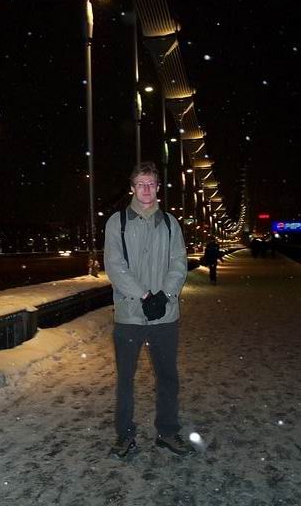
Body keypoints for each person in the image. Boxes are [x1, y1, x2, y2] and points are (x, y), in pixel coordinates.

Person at [104, 161, 188, 458]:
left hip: (165, 315)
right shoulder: (117, 222)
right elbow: (115, 266)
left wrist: (164, 295)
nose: (146, 189)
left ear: (158, 187)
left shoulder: (169, 223)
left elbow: (179, 261)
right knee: (126, 378)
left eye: (151, 183)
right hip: (129, 314)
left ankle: (167, 432)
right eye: (141, 184)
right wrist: (144, 295)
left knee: (167, 376)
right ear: (132, 187)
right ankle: (124, 435)